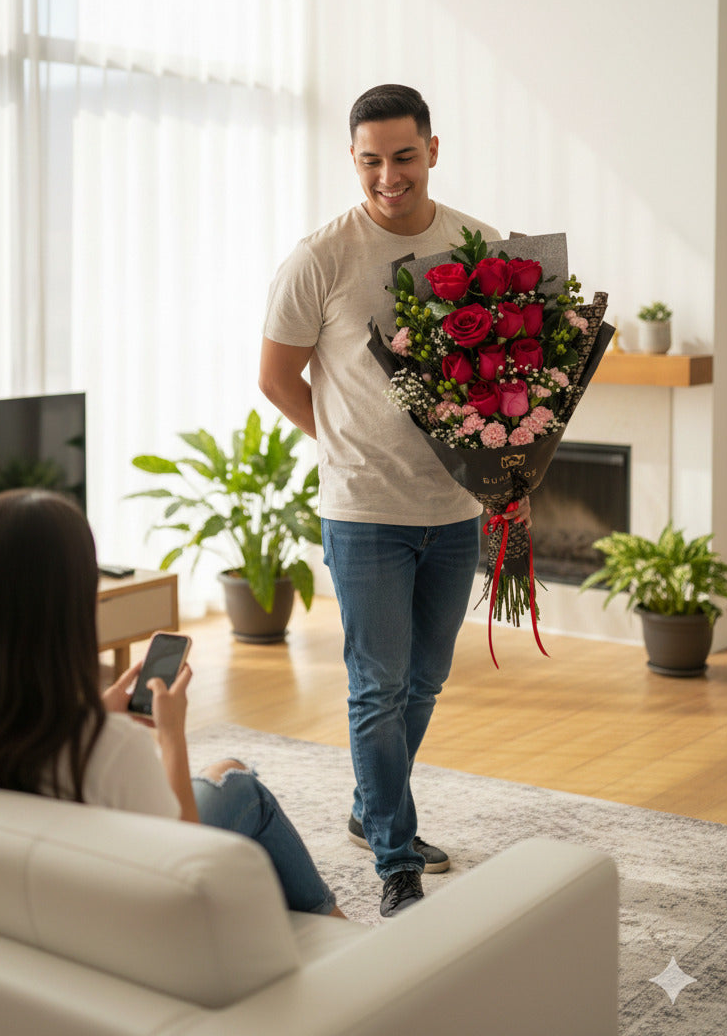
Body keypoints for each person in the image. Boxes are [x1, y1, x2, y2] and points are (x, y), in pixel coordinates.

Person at [259, 83, 529, 917]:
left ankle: (371, 807)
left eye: (403, 157)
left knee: (425, 681)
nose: (388, 177)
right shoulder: (320, 257)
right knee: (377, 685)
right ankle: (393, 860)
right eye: (371, 160)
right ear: (353, 158)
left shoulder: (479, 246)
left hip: (453, 508)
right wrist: (343, 444)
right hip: (364, 509)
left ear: (433, 152)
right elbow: (276, 378)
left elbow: (512, 367)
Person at [0, 488, 343, 919]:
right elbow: (184, 864)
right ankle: (337, 927)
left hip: (17, 910)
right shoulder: (108, 749)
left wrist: (93, 715)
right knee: (240, 785)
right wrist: (170, 734)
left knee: (222, 774)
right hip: (114, 915)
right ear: (69, 606)